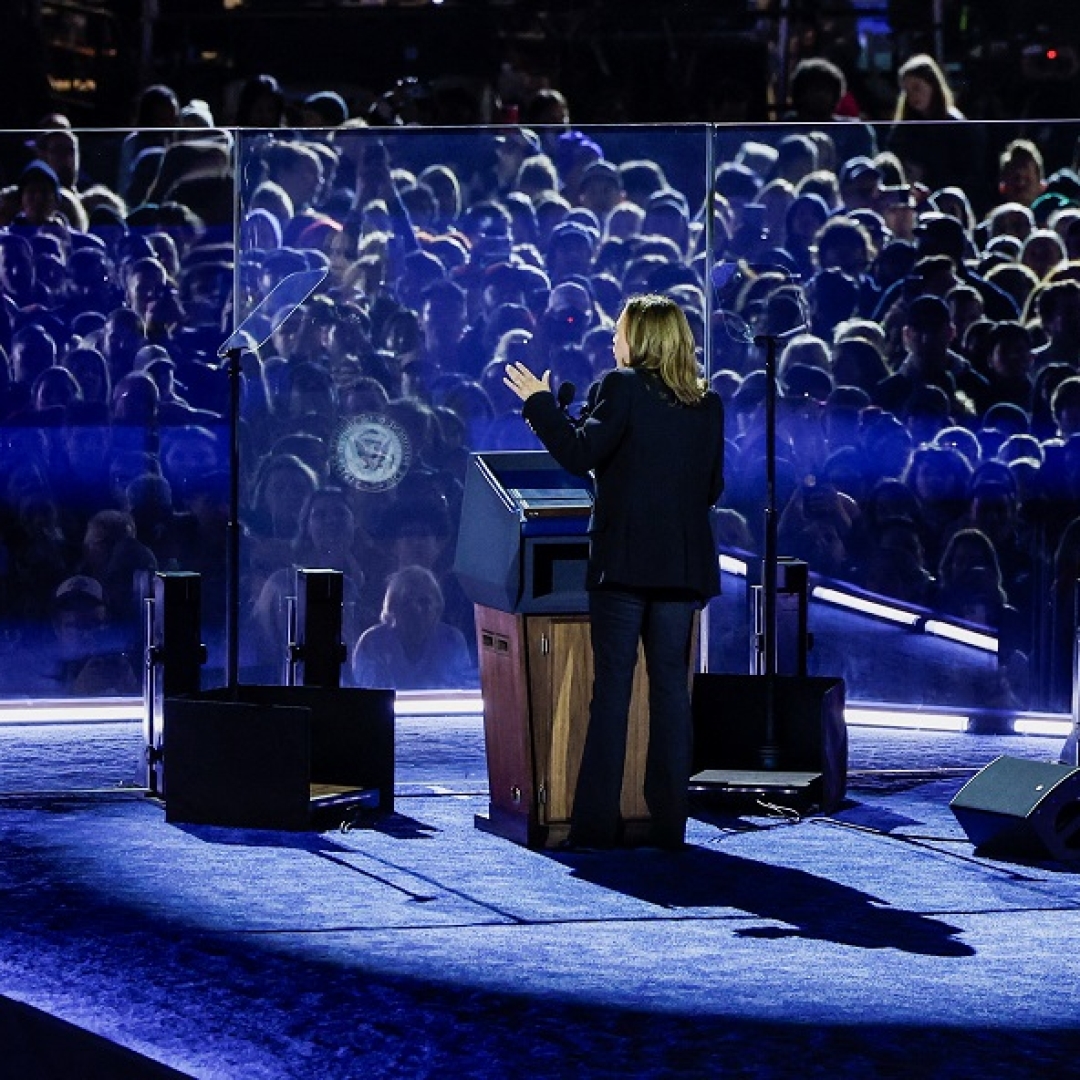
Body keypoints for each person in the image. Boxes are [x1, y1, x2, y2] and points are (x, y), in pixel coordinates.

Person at [503, 294, 724, 851]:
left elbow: (580, 454)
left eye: (620, 332)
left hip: (625, 567)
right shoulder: (707, 404)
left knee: (613, 695)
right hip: (681, 567)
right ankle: (670, 824)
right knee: (672, 696)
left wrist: (539, 404)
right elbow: (714, 488)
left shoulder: (621, 387)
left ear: (641, 339)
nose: (613, 342)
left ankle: (596, 827)